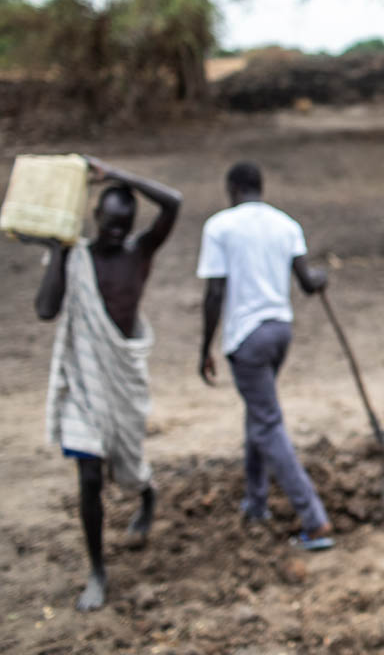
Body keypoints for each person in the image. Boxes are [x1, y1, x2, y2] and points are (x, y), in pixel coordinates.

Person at [22, 156, 181, 611]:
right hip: (84, 379)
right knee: (89, 475)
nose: (116, 232)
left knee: (129, 465)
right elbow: (45, 310)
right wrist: (56, 250)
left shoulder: (139, 253)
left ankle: (146, 495)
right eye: (109, 224)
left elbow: (174, 202)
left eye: (124, 224)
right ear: (95, 219)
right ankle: (97, 570)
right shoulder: (76, 259)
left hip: (122, 376)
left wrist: (118, 175)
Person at [197, 161, 334, 550]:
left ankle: (315, 519)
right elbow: (308, 284)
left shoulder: (220, 226)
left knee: (267, 421)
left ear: (233, 189)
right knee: (258, 412)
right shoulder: (286, 225)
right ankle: (256, 501)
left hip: (247, 338)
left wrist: (206, 346)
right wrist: (322, 278)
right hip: (280, 333)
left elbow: (214, 294)